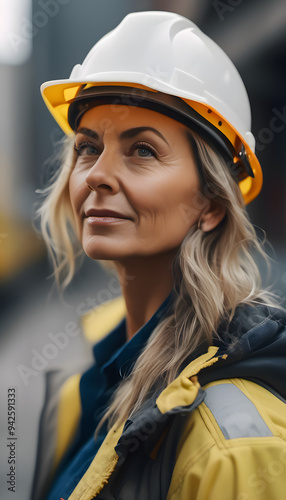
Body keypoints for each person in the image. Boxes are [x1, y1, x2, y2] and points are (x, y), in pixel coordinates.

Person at [35, 10, 286, 500]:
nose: (97, 176)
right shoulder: (88, 383)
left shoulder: (236, 448)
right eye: (89, 147)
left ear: (210, 204)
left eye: (143, 151)